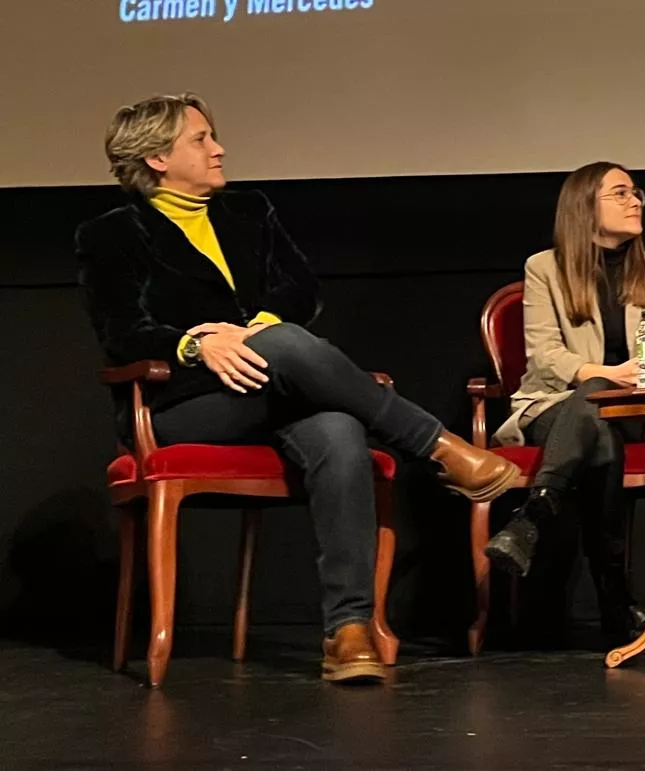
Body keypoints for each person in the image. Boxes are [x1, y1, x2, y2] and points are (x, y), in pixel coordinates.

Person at [76, 93, 519, 683]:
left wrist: (256, 332)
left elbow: (301, 289)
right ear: (157, 158)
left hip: (270, 388)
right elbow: (122, 333)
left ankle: (347, 630)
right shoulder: (110, 234)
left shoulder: (250, 211)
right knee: (288, 349)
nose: (219, 148)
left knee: (337, 426)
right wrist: (196, 345)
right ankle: (436, 446)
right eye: (201, 139)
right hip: (181, 405)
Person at [484, 161, 645, 651]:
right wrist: (604, 377)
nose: (635, 201)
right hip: (557, 405)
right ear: (584, 207)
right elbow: (545, 355)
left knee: (602, 420)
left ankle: (534, 515)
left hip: (635, 410)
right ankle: (617, 605)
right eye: (620, 193)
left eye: (636, 192)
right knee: (597, 418)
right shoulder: (544, 268)